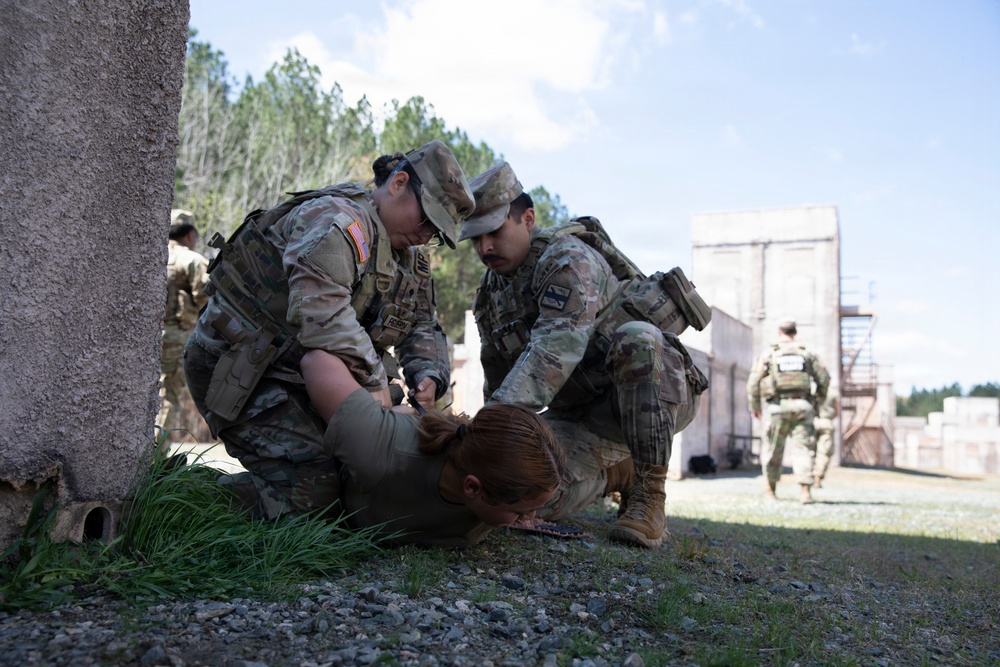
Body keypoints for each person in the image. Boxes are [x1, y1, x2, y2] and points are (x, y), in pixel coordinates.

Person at [183, 140, 475, 519]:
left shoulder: (409, 261)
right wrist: (375, 383)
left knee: (358, 482)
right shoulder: (337, 220)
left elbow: (423, 323)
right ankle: (176, 497)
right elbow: (322, 313)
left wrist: (429, 375)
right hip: (243, 371)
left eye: (435, 231)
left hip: (305, 382)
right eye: (426, 220)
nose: (425, 236)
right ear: (399, 183)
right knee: (313, 491)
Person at [459, 162, 710, 549]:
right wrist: (491, 452)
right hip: (580, 416)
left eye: (494, 231)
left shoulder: (566, 260)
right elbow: (496, 375)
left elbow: (554, 348)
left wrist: (489, 426)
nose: (485, 247)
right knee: (518, 496)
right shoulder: (490, 294)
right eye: (476, 238)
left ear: (528, 219)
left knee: (638, 338)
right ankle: (618, 474)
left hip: (654, 395)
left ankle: (649, 497)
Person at [297, 349, 565, 547]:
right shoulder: (381, 447)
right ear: (473, 488)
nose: (530, 518)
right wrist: (377, 391)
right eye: (519, 512)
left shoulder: (498, 493)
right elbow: (316, 361)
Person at [746, 319, 831, 504]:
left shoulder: (770, 354)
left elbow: (753, 381)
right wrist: (818, 401)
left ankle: (770, 490)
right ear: (795, 332)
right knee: (804, 448)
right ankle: (805, 492)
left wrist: (755, 406)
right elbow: (824, 378)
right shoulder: (806, 354)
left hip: (777, 407)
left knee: (772, 449)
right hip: (803, 407)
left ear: (779, 332)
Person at [158, 211, 210, 448]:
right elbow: (208, 300)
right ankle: (155, 456)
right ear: (190, 235)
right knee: (169, 397)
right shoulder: (193, 261)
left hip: (146, 340)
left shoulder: (154, 254)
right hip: (177, 338)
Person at [812, 394, 839, 487]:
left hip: (813, 422)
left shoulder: (813, 391)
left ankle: (809, 476)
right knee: (824, 451)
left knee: (811, 450)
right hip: (827, 422)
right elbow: (837, 411)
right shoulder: (833, 392)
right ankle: (818, 477)